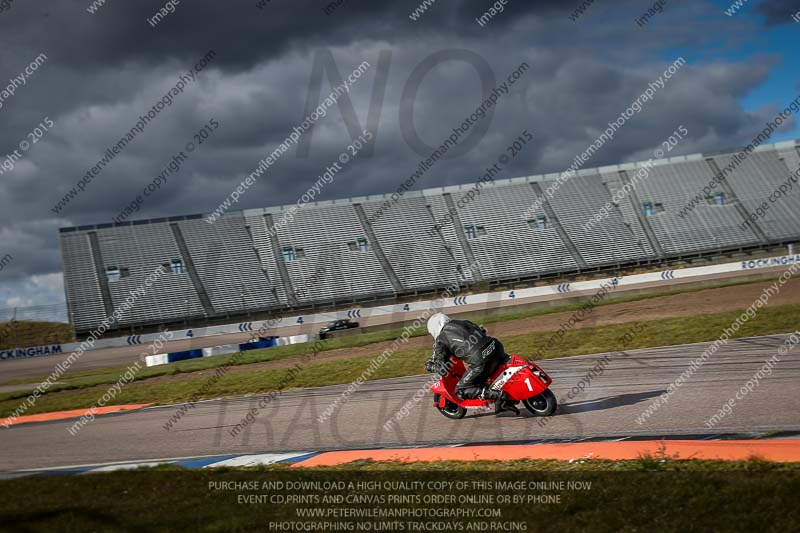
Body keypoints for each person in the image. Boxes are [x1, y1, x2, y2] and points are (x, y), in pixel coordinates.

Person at [424, 312, 519, 415]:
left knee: (461, 390)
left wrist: (430, 366)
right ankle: (502, 401)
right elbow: (482, 331)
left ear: (434, 328)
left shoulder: (441, 339)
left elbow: (442, 369)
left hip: (481, 360)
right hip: (496, 347)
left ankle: (500, 396)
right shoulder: (464, 322)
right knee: (484, 376)